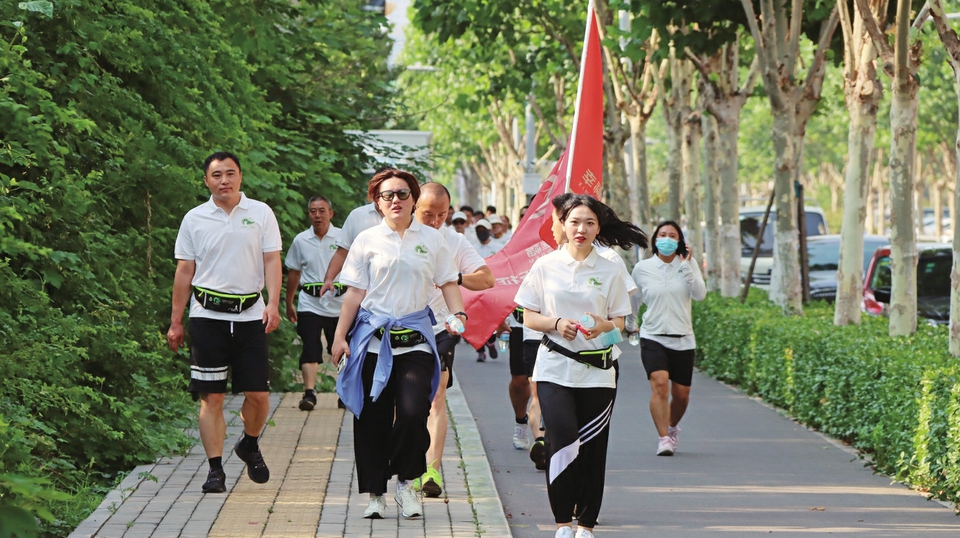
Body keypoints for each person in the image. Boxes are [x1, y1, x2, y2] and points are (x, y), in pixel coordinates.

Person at [332, 169, 467, 520]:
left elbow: (448, 282)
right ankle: (375, 493)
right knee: (371, 418)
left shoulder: (432, 239)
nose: (395, 200)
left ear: (413, 199)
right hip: (372, 342)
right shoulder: (366, 240)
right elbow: (354, 294)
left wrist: (459, 314)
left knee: (412, 412)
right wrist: (339, 337)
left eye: (403, 194)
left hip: (416, 341)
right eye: (387, 195)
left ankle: (407, 484)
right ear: (377, 202)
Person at [514, 194, 646, 538]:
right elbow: (528, 316)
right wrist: (557, 324)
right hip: (554, 367)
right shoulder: (545, 266)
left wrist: (603, 326)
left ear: (598, 228)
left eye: (589, 223)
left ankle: (585, 524)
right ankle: (562, 522)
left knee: (592, 447)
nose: (581, 229)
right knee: (560, 439)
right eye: (574, 222)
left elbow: (620, 325)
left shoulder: (610, 267)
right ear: (563, 224)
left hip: (598, 373)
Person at [167, 151, 282, 494]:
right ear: (206, 181)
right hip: (207, 317)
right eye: (216, 175)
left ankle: (249, 443)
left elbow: (272, 260)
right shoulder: (194, 218)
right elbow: (184, 271)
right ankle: (215, 469)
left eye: (230, 173)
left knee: (258, 394)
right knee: (211, 397)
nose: (224, 180)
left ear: (240, 176)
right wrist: (176, 321)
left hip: (250, 316)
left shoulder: (260, 213)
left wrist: (273, 303)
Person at [413, 183, 494, 498]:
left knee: (437, 396)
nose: (435, 222)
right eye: (427, 214)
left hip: (442, 327)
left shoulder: (455, 241)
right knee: (404, 401)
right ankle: (409, 463)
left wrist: (455, 277)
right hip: (403, 326)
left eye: (442, 215)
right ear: (414, 208)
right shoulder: (397, 237)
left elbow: (486, 279)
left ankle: (431, 471)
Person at [631, 220, 706, 456]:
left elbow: (700, 295)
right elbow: (634, 300)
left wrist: (686, 266)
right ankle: (663, 438)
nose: (667, 239)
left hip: (683, 338)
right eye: (662, 235)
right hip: (653, 336)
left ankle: (672, 427)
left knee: (681, 396)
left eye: (672, 236)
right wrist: (630, 325)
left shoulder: (688, 265)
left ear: (680, 241)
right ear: (655, 240)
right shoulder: (642, 268)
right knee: (660, 384)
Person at [284, 196, 342, 411]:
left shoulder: (343, 238)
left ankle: (344, 392)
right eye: (313, 211)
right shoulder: (301, 240)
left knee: (340, 348)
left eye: (322, 210)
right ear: (308, 214)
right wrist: (289, 302)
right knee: (310, 345)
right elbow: (294, 272)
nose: (317, 215)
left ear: (331, 213)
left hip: (339, 303)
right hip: (309, 302)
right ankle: (309, 393)